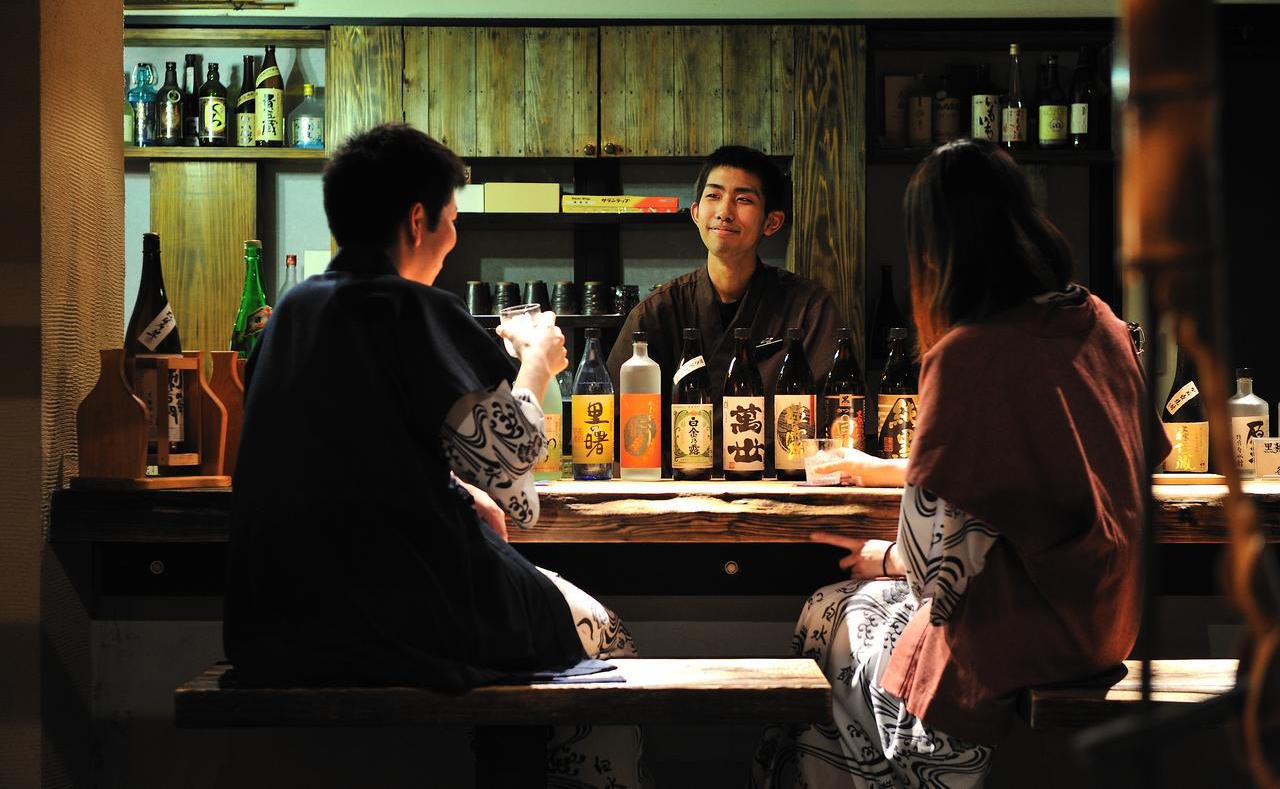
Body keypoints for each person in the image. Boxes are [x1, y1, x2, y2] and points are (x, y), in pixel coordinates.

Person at [224, 123, 647, 787]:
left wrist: (455, 490)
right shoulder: (412, 308)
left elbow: (361, 449)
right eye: (451, 221)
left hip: (275, 621)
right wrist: (537, 364)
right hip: (403, 613)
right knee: (606, 637)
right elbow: (512, 468)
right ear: (418, 219)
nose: (452, 241)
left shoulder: (294, 313)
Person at [750, 139, 1169, 788]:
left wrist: (878, 556)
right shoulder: (1103, 324)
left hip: (1025, 635)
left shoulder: (969, 353)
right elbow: (1083, 464)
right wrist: (885, 472)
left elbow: (930, 577)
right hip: (1111, 623)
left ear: (934, 251)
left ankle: (884, 773)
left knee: (831, 611)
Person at [606, 145, 843, 472]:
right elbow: (613, 428)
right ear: (695, 213)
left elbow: (838, 419)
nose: (725, 211)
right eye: (713, 196)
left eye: (743, 199)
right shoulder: (656, 313)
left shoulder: (808, 307)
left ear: (771, 222)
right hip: (675, 499)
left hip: (780, 493)